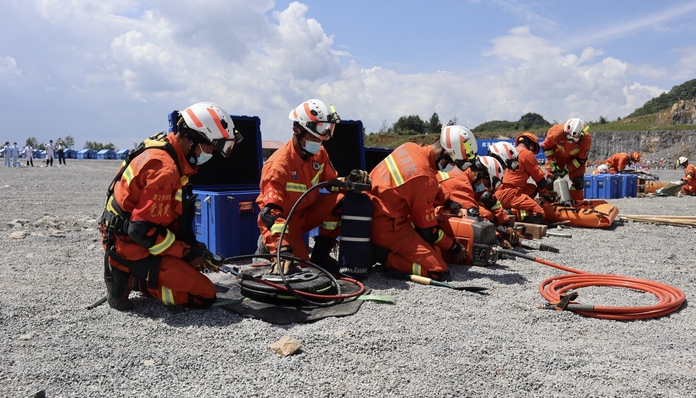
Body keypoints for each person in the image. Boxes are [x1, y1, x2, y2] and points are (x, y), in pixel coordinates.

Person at [99, 102, 243, 311]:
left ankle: (137, 273)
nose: (210, 155)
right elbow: (142, 231)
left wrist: (194, 249)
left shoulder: (170, 154)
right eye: (211, 149)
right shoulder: (165, 170)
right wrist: (185, 254)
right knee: (205, 294)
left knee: (193, 270)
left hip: (133, 236)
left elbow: (169, 216)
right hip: (129, 245)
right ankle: (128, 279)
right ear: (193, 138)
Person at [256, 99, 364, 275]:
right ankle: (269, 247)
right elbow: (270, 215)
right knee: (301, 272)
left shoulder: (319, 154)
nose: (319, 142)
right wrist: (282, 250)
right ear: (297, 130)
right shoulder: (277, 166)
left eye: (321, 138)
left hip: (307, 214)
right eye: (314, 137)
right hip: (284, 223)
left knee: (343, 200)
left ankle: (321, 253)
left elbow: (331, 184)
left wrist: (350, 182)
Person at [367, 125, 475, 281]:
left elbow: (422, 184)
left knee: (432, 250)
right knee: (438, 270)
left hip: (376, 211)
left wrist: (447, 201)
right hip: (387, 226)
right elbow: (428, 232)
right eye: (452, 163)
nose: (451, 168)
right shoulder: (424, 178)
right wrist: (454, 248)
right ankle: (380, 254)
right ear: (445, 153)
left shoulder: (410, 147)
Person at [493, 132, 552, 224]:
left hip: (498, 191)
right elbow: (540, 180)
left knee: (532, 189)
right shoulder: (527, 154)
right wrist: (546, 194)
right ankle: (511, 211)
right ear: (532, 147)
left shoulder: (510, 152)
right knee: (539, 214)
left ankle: (511, 206)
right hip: (511, 193)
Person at [542, 118, 592, 203]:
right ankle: (549, 201)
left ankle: (576, 202)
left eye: (574, 139)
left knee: (578, 182)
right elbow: (547, 147)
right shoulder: (556, 132)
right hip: (557, 156)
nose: (570, 141)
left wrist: (567, 170)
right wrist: (552, 163)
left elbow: (581, 159)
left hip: (575, 159)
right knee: (550, 181)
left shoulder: (586, 140)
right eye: (568, 137)